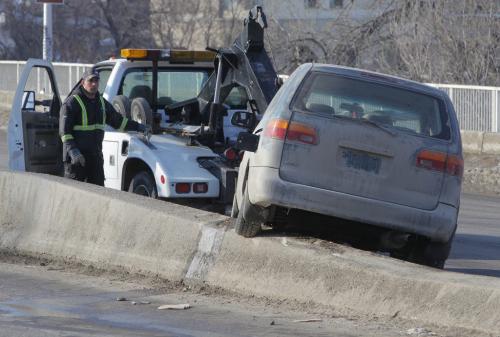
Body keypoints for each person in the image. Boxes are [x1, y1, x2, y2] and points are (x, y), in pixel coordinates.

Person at [59, 69, 149, 186]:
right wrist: (73, 151)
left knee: (98, 195)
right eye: (91, 81)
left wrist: (139, 127)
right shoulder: (71, 103)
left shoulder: (101, 102)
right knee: (75, 197)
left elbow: (119, 122)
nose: (94, 84)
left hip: (95, 159)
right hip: (76, 160)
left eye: (96, 81)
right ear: (82, 82)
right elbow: (64, 132)